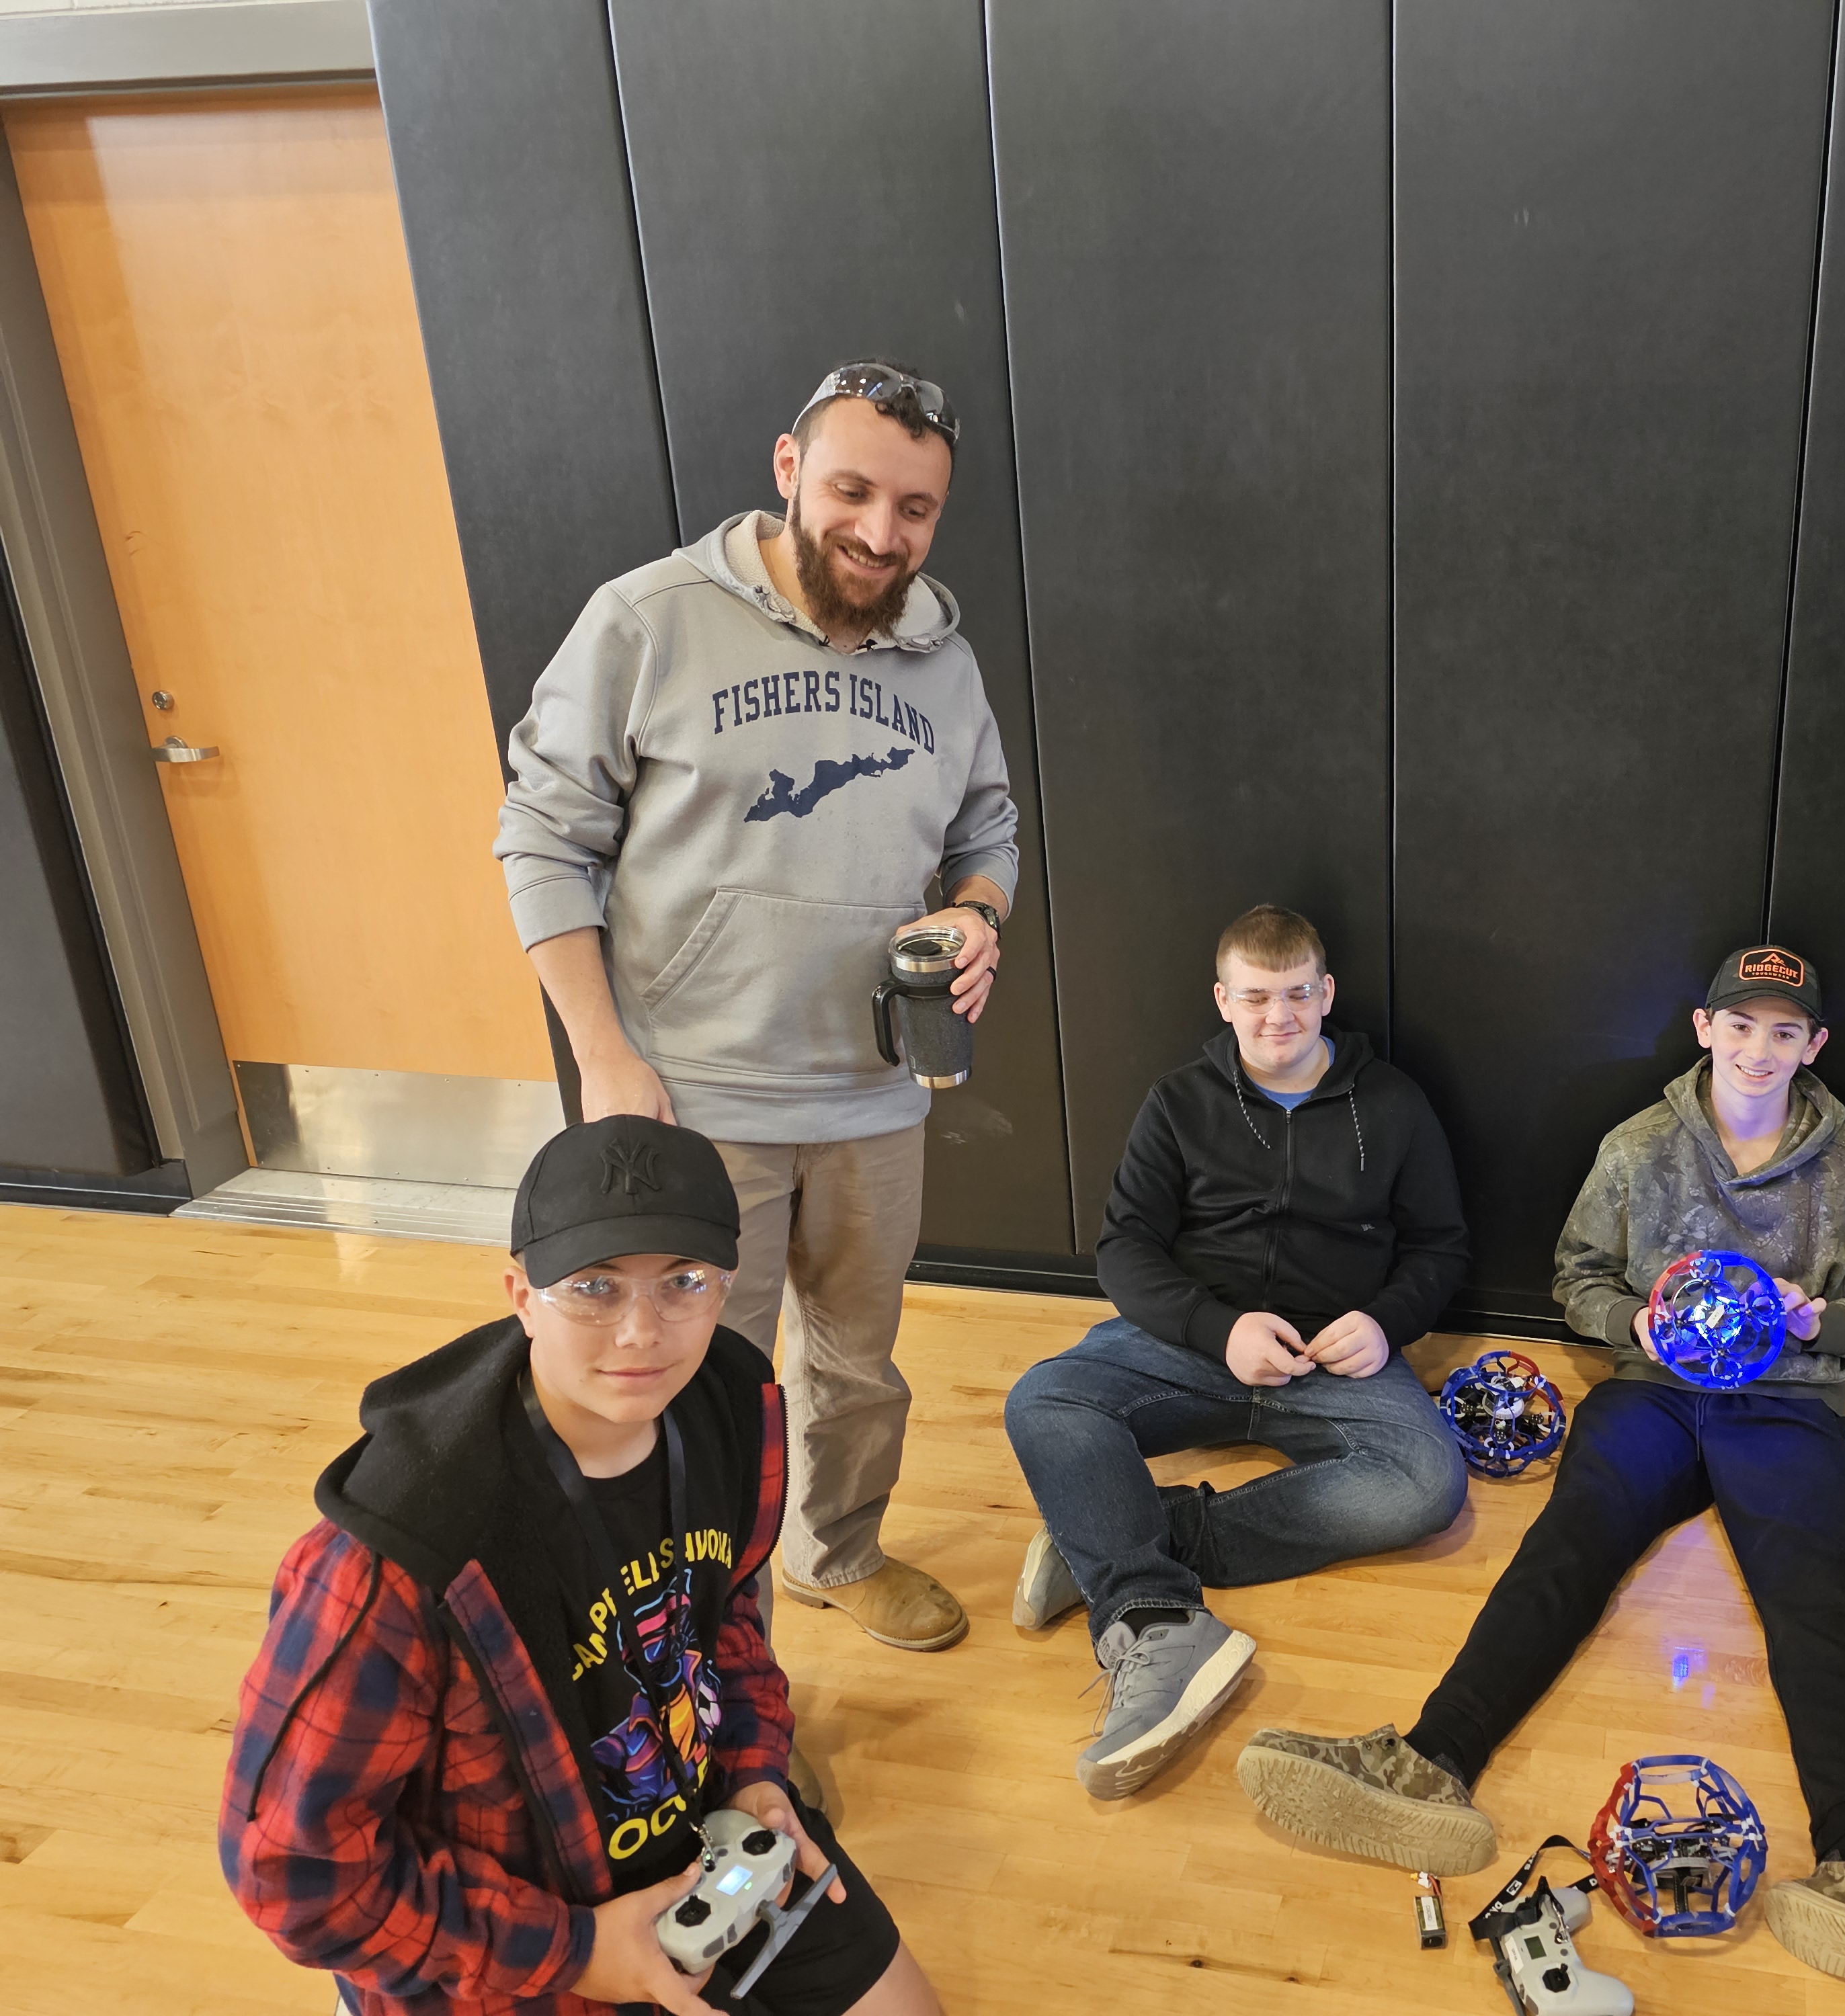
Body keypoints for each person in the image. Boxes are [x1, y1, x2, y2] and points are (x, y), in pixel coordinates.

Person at [1237, 943, 1845, 2009]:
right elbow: (1577, 1277)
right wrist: (1635, 1325)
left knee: (1821, 1600)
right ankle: (1429, 1762)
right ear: (1705, 1029)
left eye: (1784, 1032)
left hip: (1787, 1404)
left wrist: (1822, 1321)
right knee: (1569, 1543)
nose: (1759, 1050)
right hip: (1653, 1392)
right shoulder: (1638, 1146)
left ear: (1814, 1045)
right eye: (1740, 1026)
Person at [497, 361, 1020, 1654]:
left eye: (915, 508)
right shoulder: (648, 621)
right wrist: (603, 1056)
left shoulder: (944, 661)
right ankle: (709, 1641)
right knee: (695, 1390)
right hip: (688, 1097)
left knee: (856, 1362)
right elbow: (542, 837)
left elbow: (988, 830)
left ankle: (835, 1550)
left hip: (873, 1092)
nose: (880, 533)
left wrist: (978, 912)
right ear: (788, 469)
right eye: (851, 492)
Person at [219, 1116, 943, 2016]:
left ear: (727, 1287)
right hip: (528, 1932)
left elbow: (723, 1621)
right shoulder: (394, 1558)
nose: (642, 1333)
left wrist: (756, 1769)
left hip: (711, 1847)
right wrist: (578, 1949)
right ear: (522, 1296)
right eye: (594, 1288)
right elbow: (294, 1875)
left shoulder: (724, 1408)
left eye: (683, 1282)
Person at [1001, 905, 1471, 1800]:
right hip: (1194, 1346)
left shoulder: (1395, 1103)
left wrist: (1386, 1322)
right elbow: (1125, 1250)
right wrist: (1218, 1329)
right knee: (1045, 1400)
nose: (1278, 1016)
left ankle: (1119, 1541)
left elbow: (1440, 1249)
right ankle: (1155, 1617)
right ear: (1223, 1001)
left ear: (1326, 993)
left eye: (1296, 995)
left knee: (1426, 1485)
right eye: (1255, 998)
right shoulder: (1178, 1101)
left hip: (1337, 1362)